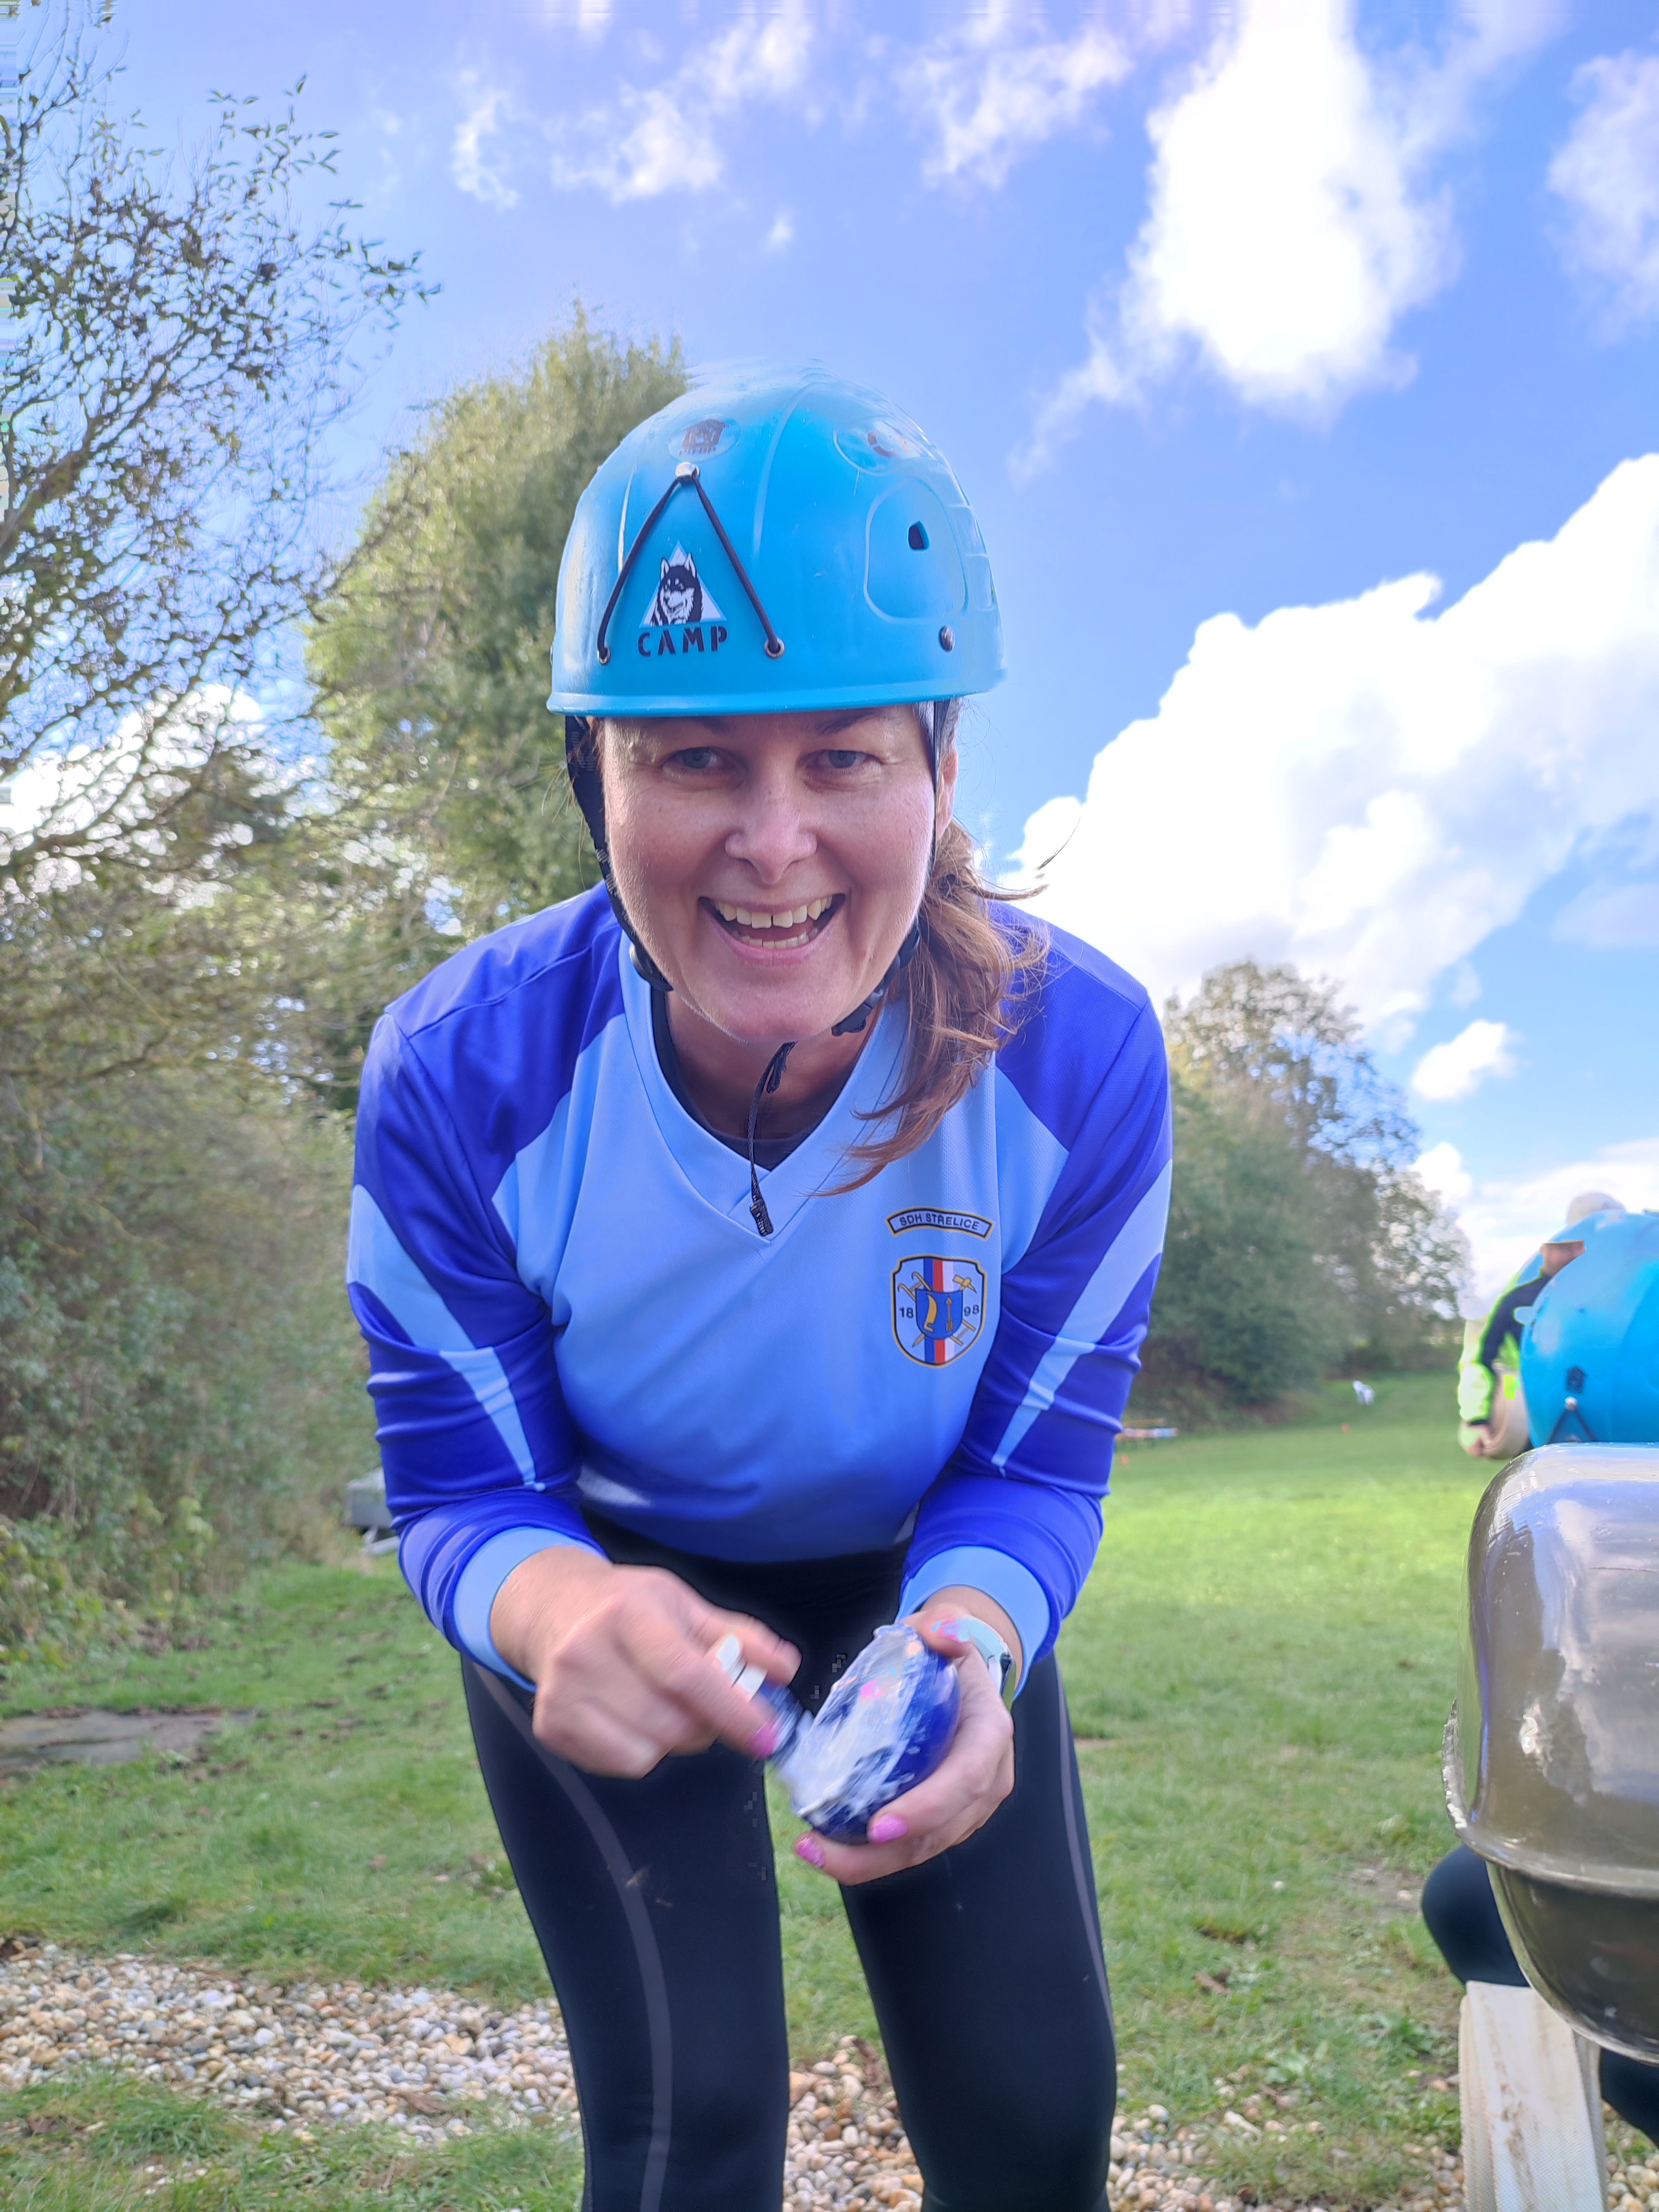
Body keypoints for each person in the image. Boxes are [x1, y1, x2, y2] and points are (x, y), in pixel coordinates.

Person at [347, 369, 1171, 2212]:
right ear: (595, 778)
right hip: (609, 1583)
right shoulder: (457, 1074)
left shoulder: (1085, 1056)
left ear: (940, 773)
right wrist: (560, 1611)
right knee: (687, 2134)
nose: (774, 844)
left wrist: (971, 1639)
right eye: (695, 758)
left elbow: (1034, 1468)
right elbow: (464, 1492)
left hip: (920, 1583)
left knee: (1036, 2124)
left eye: (845, 758)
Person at [1457, 1190, 1625, 1457]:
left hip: (1615, 1417)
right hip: (1534, 1415)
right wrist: (1477, 1418)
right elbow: (1479, 1357)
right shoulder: (1515, 1289)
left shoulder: (1628, 1285)